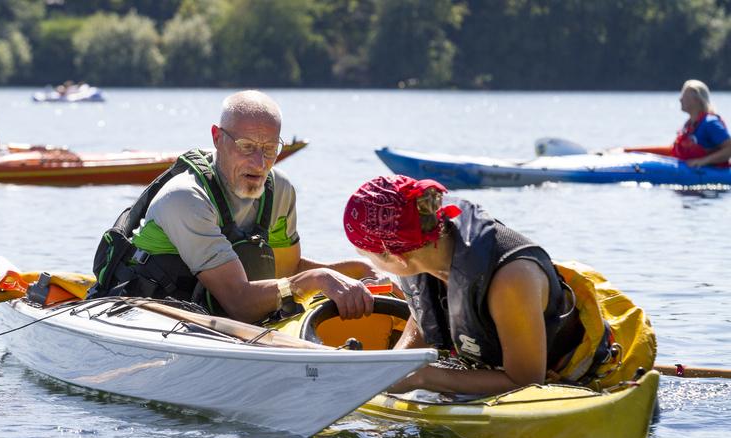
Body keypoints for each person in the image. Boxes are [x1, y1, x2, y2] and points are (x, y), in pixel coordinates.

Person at [343, 175, 656, 395]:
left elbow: (527, 382)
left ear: (396, 257)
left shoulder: (509, 281)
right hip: (495, 368)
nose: (367, 261)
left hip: (581, 378)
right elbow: (425, 319)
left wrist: (422, 378)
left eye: (364, 254)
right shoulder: (425, 250)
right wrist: (390, 370)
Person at [88, 90, 379, 324]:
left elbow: (285, 270)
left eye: (269, 149)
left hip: (209, 317)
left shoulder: (280, 189)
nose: (259, 163)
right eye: (246, 146)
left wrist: (361, 270)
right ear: (217, 138)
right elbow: (239, 303)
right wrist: (319, 279)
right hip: (140, 314)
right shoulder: (185, 199)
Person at [671, 79, 731, 167]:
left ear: (698, 100)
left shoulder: (710, 123)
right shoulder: (689, 125)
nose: (680, 99)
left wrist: (703, 161)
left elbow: (729, 149)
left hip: (713, 173)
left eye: (685, 96)